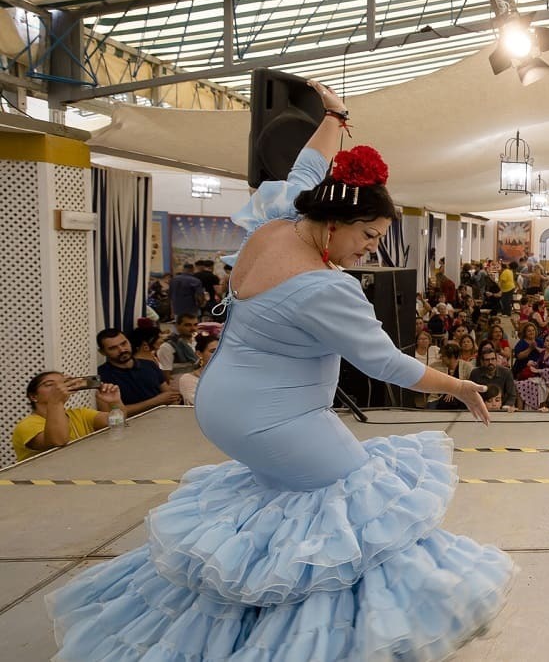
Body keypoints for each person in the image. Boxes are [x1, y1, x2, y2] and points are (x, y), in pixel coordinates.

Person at [47, 83, 512, 661]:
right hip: (274, 419)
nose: (370, 251)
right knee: (358, 516)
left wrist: (333, 117)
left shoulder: (279, 222)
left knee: (294, 518)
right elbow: (386, 363)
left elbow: (307, 169)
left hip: (225, 405)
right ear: (335, 221)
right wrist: (459, 385)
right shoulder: (325, 287)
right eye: (368, 236)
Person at [12, 373, 123, 461]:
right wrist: (55, 402)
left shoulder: (81, 413)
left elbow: (117, 422)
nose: (58, 388)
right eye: (49, 384)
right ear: (33, 396)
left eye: (63, 383)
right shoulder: (27, 425)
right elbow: (58, 441)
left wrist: (114, 402)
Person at [95, 328, 181, 415]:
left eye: (124, 343)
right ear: (102, 352)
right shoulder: (101, 376)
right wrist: (156, 402)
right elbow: (111, 413)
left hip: (164, 417)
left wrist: (174, 399)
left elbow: (168, 394)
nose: (122, 350)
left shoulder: (149, 365)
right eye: (113, 348)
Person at [516, 333, 549, 410]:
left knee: (520, 385)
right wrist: (532, 363)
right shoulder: (543, 352)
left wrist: (538, 371)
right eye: (547, 341)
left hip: (547, 380)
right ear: (544, 343)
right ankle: (521, 410)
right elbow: (538, 364)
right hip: (538, 377)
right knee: (518, 385)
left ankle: (528, 409)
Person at [470, 347, 518, 411]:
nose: (490, 362)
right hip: (481, 408)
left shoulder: (506, 372)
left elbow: (512, 395)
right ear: (482, 361)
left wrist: (505, 407)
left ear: (496, 359)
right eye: (487, 360)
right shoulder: (475, 373)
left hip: (502, 408)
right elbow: (471, 394)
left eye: (493, 359)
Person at [177, 334, 219, 406]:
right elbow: (202, 405)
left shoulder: (231, 375)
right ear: (199, 354)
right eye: (213, 351)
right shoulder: (188, 379)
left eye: (222, 351)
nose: (219, 354)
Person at [155, 313, 199, 381]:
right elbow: (166, 375)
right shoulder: (167, 347)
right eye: (188, 325)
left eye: (195, 325)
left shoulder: (199, 342)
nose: (193, 328)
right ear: (177, 326)